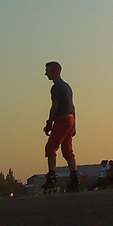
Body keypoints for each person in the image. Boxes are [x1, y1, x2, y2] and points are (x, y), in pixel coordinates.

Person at [42, 62, 78, 191]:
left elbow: (55, 106)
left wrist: (49, 122)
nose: (46, 73)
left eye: (48, 71)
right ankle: (74, 178)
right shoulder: (67, 87)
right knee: (67, 149)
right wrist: (74, 125)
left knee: (50, 147)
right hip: (70, 119)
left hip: (62, 119)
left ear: (56, 70)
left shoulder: (56, 87)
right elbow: (73, 107)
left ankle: (52, 178)